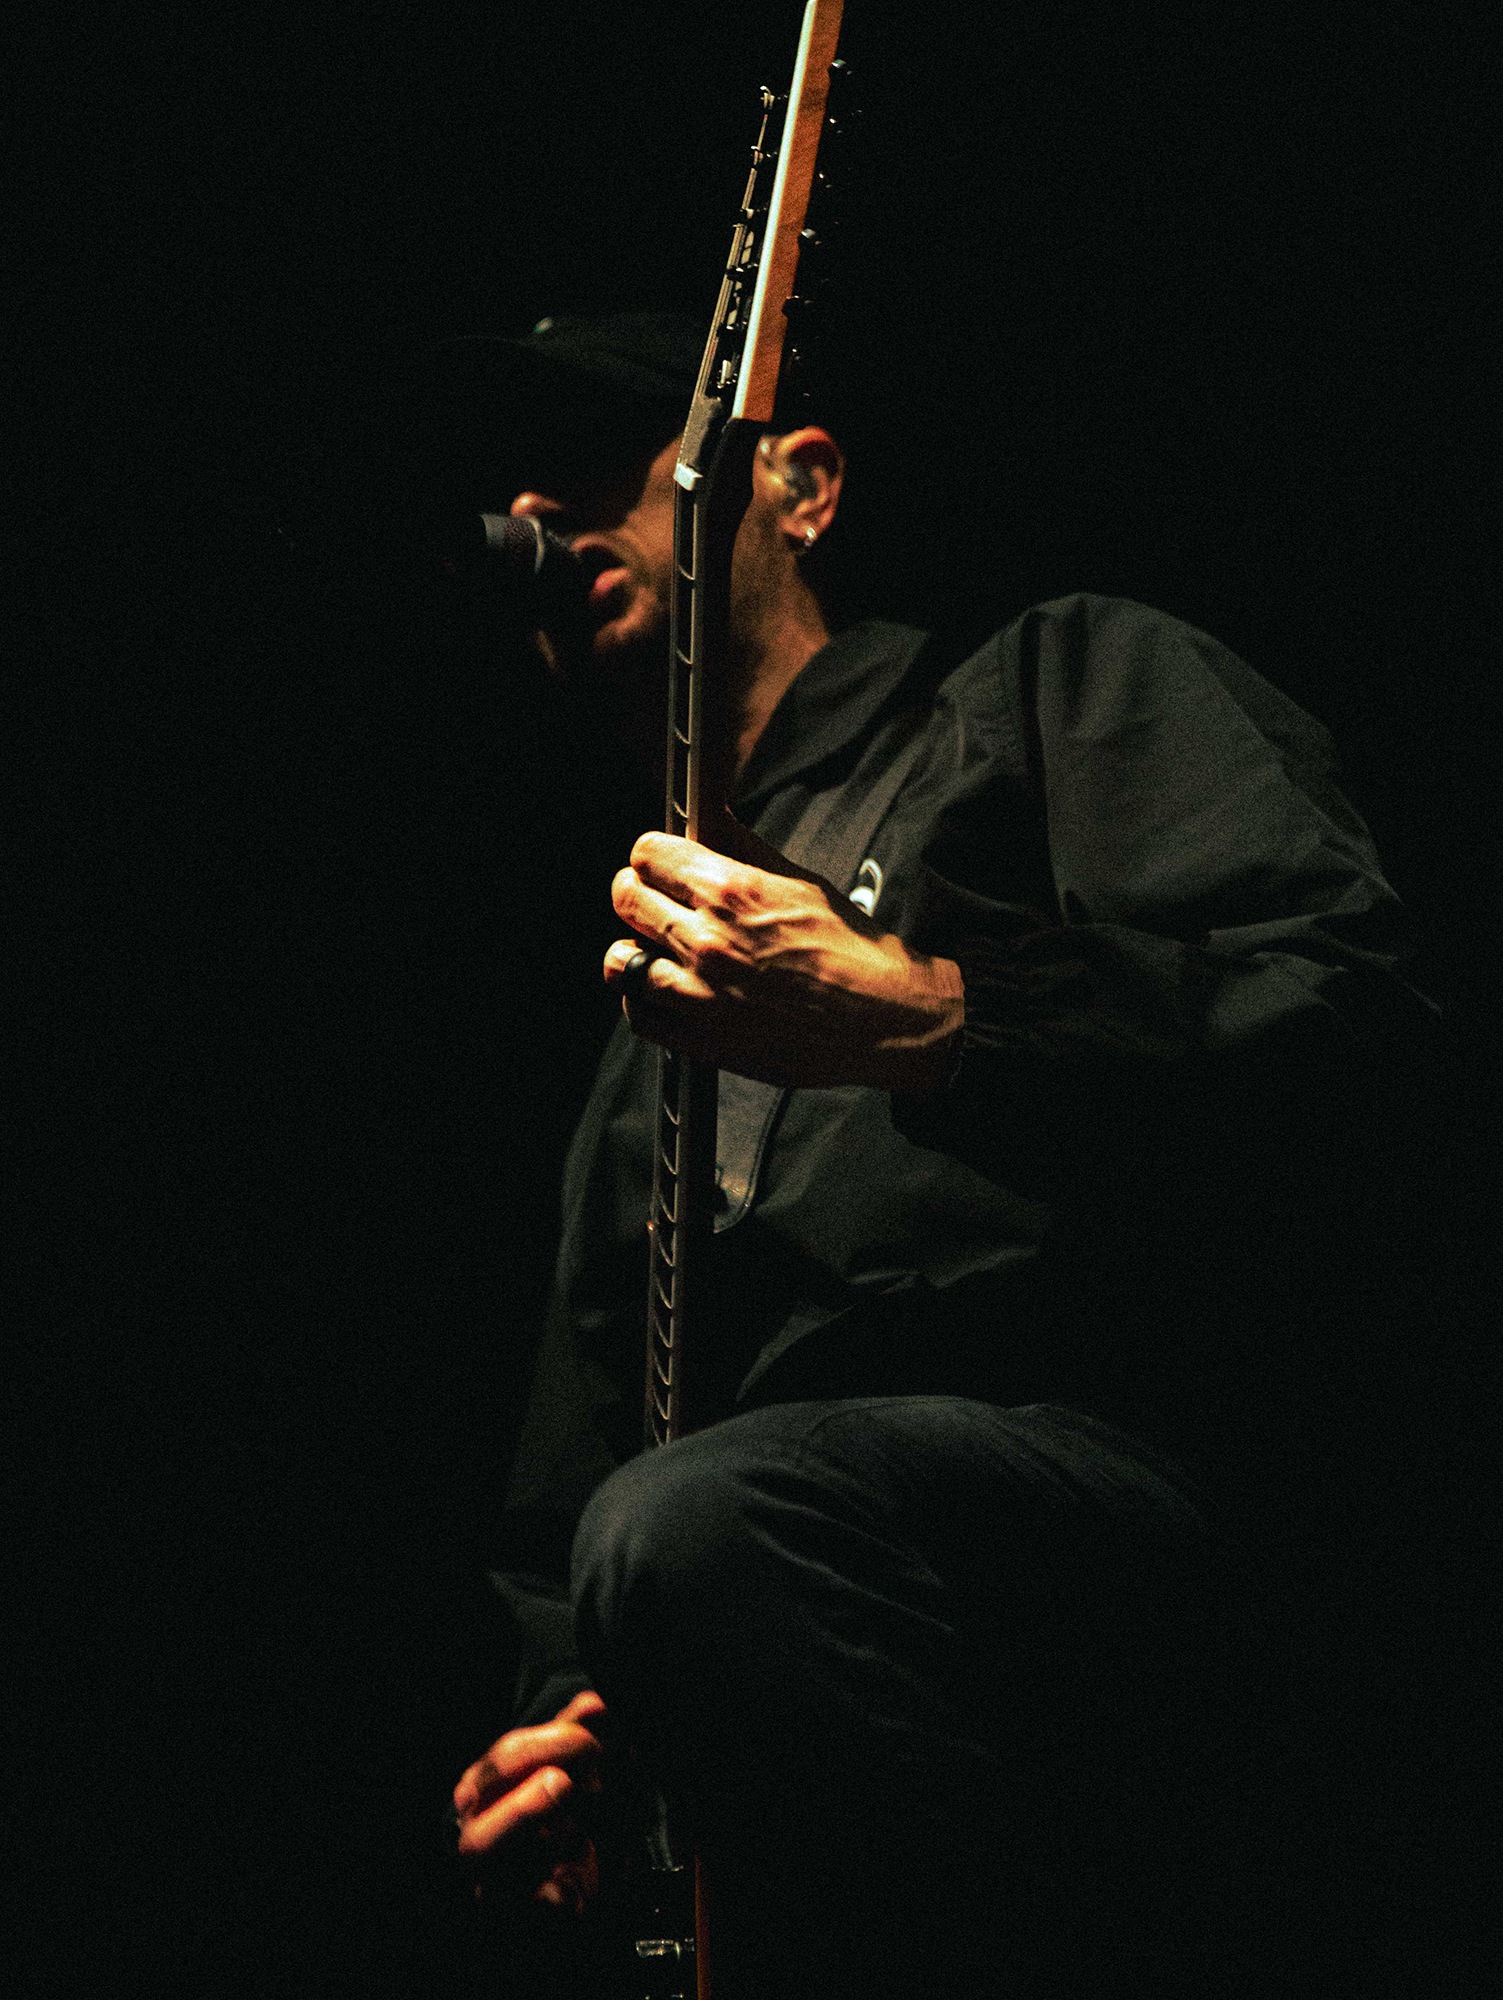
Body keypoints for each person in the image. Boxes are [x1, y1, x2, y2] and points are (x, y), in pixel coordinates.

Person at [441, 312, 1435, 1996]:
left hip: (1146, 1519)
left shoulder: (1057, 686)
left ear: (803, 486)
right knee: (671, 1535)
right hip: (782, 1586)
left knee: (699, 1519)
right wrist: (572, 1725)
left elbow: (1358, 1033)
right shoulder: (642, 1029)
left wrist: (931, 1019)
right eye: (518, 483)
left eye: (607, 463)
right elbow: (573, 1494)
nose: (539, 509)